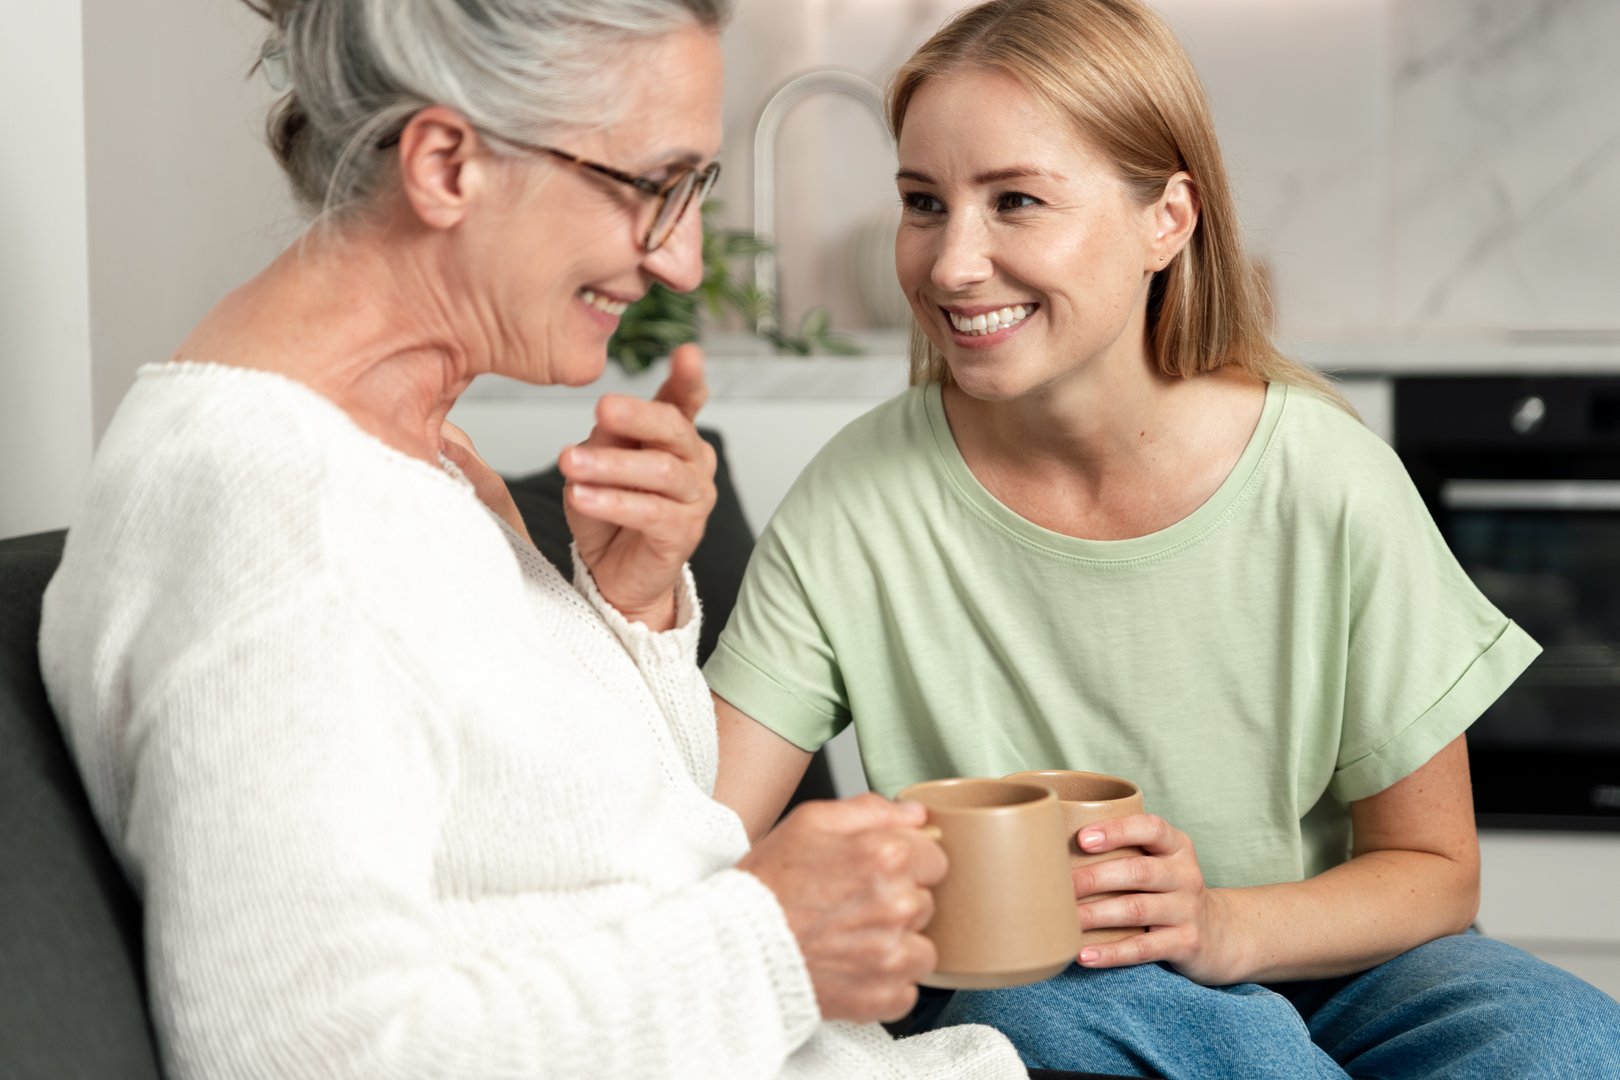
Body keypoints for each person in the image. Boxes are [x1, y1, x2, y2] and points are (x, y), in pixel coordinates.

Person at [37, 1, 1037, 1076]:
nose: (684, 263)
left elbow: (609, 850)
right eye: (655, 187)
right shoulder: (278, 516)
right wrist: (773, 944)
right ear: (447, 165)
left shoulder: (409, 457)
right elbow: (307, 1053)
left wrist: (632, 609)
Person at [704, 0, 1620, 1076]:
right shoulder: (857, 501)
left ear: (1167, 221)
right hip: (1071, 985)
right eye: (923, 202)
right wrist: (633, 602)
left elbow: (1432, 870)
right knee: (1049, 1016)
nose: (953, 264)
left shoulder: (1326, 480)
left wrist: (1224, 927)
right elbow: (706, 834)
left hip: (1338, 962)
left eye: (1016, 201)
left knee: (1563, 1032)